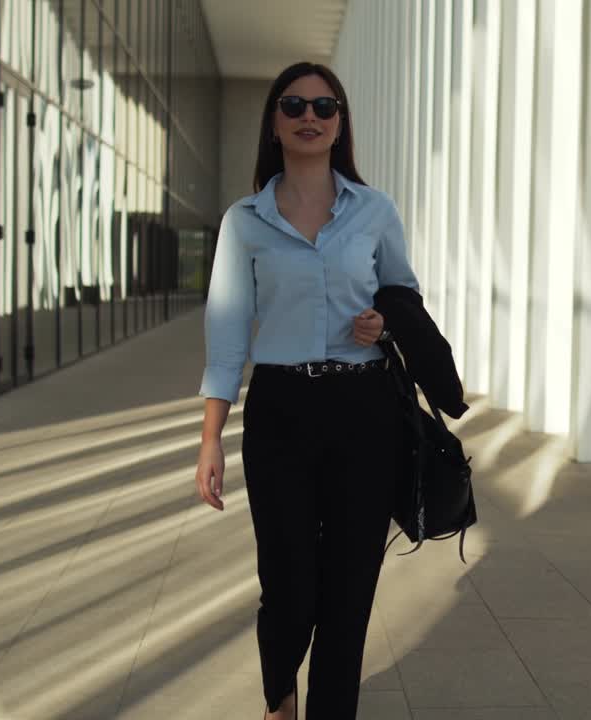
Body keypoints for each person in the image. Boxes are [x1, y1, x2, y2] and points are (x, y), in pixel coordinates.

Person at [192, 61, 418, 720]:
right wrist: (210, 438)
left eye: (324, 106)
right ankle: (279, 698)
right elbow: (227, 331)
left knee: (349, 592)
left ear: (341, 123)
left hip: (363, 410)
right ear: (274, 123)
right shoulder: (244, 221)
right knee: (288, 586)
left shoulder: (375, 210)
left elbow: (403, 295)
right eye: (293, 106)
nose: (309, 117)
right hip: (281, 411)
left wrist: (383, 321)